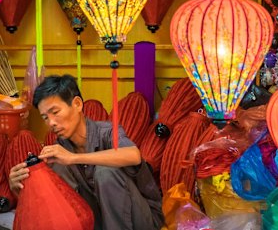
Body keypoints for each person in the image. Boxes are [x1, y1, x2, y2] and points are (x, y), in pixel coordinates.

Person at [9, 74, 164, 230]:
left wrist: (74, 158)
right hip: (99, 221)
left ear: (77, 104)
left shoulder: (107, 132)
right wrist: (19, 187)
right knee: (57, 169)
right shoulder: (60, 152)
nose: (51, 123)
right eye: (45, 117)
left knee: (106, 172)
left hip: (141, 219)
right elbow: (50, 204)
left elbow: (133, 155)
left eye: (55, 112)